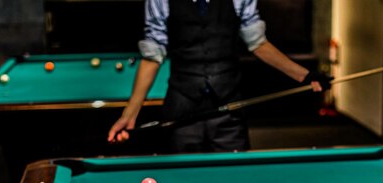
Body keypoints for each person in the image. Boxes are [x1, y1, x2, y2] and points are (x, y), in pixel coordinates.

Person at [108, 0, 332, 153]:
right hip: (181, 112)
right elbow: (153, 55)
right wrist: (129, 114)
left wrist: (305, 75)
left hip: (229, 111)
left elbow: (258, 43)